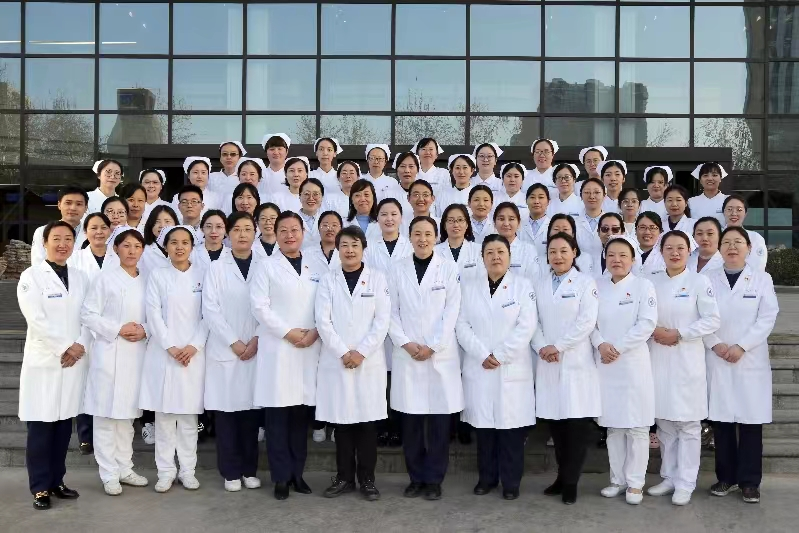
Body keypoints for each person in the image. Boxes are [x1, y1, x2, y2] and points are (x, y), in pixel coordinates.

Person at [250, 211, 329, 500]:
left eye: (294, 229)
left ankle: (297, 474)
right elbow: (260, 307)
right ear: (276, 234)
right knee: (278, 418)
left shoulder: (316, 266)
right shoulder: (266, 266)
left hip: (309, 347)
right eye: (283, 230)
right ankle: (281, 477)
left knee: (300, 417)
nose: (289, 235)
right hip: (279, 349)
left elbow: (326, 303)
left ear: (303, 233)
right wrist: (288, 332)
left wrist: (315, 331)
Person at [456, 234, 537, 500]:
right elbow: (461, 325)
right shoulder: (470, 288)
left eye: (500, 252)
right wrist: (481, 353)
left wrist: (500, 355)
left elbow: (526, 326)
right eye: (489, 252)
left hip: (510, 366)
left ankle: (511, 482)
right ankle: (487, 478)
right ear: (482, 258)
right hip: (480, 365)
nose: (495, 257)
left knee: (511, 431)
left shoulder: (522, 286)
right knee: (485, 430)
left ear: (509, 256)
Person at [18, 221, 91, 510]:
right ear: (44, 243)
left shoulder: (81, 277)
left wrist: (80, 344)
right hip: (46, 362)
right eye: (56, 239)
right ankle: (39, 487)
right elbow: (36, 319)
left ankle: (56, 481)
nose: (63, 244)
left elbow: (89, 315)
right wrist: (66, 347)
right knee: (40, 428)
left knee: (62, 429)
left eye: (68, 239)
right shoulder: (31, 276)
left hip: (72, 362)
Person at [388, 216, 462, 501]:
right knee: (412, 423)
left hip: (439, 356)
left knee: (439, 425)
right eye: (417, 234)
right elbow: (390, 311)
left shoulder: (448, 268)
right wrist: (406, 343)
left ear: (436, 237)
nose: (422, 239)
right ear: (409, 237)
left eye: (428, 234)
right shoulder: (397, 269)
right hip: (407, 355)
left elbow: (452, 311)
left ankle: (434, 479)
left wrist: (432, 345)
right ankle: (416, 478)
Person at [704, 226, 779, 504]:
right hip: (718, 357)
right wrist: (715, 343)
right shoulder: (707, 279)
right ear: (719, 248)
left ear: (749, 248)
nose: (732, 247)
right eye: (726, 242)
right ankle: (726, 477)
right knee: (722, 422)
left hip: (750, 359)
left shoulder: (762, 279)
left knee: (750, 423)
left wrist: (742, 346)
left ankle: (749, 482)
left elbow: (767, 317)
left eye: (738, 242)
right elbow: (699, 315)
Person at [316, 226, 391, 501]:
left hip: (368, 362)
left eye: (355, 245)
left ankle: (367, 479)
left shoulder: (377, 278)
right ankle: (344, 477)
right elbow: (322, 320)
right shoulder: (328, 280)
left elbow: (382, 320)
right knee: (343, 424)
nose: (349, 250)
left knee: (368, 425)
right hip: (337, 360)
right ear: (338, 250)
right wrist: (342, 352)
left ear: (363, 249)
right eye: (344, 245)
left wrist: (361, 352)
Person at [647, 230, 721, 506]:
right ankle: (669, 477)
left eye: (680, 248)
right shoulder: (651, 281)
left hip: (687, 359)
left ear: (689, 251)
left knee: (689, 424)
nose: (675, 253)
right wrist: (655, 330)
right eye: (669, 248)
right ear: (661, 251)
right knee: (665, 422)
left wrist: (680, 333)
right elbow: (641, 315)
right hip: (658, 357)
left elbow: (712, 320)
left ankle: (686, 482)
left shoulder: (699, 281)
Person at [139, 225, 208, 494]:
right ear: (165, 246)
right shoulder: (158, 275)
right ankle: (166, 472)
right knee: (165, 419)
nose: (179, 247)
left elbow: (208, 314)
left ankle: (188, 471)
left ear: (192, 246)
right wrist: (170, 346)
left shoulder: (203, 274)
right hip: (164, 354)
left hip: (193, 356)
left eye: (184, 242)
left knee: (189, 420)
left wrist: (193, 346)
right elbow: (153, 314)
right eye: (173, 243)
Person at [532, 232, 600, 505]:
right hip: (548, 362)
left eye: (563, 251)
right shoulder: (539, 284)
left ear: (574, 253)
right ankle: (561, 477)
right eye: (552, 252)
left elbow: (587, 322)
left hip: (575, 362)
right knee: (557, 428)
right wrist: (542, 347)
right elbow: (532, 321)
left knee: (575, 429)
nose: (558, 256)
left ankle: (571, 482)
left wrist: (558, 346)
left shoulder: (585, 283)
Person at [81, 228, 150, 496]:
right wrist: (117, 328)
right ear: (116, 249)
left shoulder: (148, 280)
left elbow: (156, 315)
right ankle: (108, 473)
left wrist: (145, 330)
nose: (132, 251)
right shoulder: (104, 278)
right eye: (126, 246)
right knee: (106, 417)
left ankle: (125, 468)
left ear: (142, 250)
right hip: (109, 353)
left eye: (137, 246)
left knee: (126, 418)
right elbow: (88, 314)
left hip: (136, 356)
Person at [592, 236, 658, 505]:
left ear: (633, 259)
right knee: (613, 427)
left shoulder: (643, 286)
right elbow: (588, 322)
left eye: (622, 255)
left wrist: (617, 348)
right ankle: (617, 480)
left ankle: (635, 483)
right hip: (605, 364)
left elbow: (647, 324)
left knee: (638, 427)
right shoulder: (596, 286)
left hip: (632, 364)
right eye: (611, 255)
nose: (616, 260)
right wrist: (600, 344)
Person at [202, 211, 263, 492]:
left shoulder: (265, 265)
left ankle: (249, 469)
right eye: (236, 229)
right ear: (228, 233)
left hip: (257, 349)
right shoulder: (216, 268)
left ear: (255, 233)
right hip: (226, 350)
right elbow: (210, 310)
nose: (242, 234)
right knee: (227, 415)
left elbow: (271, 306)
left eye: (247, 229)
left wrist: (256, 339)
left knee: (250, 416)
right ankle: (230, 471)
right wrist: (234, 342)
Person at [364, 198, 413, 447]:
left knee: (402, 378)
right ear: (377, 219)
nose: (389, 219)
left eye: (394, 214)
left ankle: (399, 427)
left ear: (401, 218)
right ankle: (381, 426)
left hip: (406, 319)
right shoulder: (369, 248)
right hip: (376, 318)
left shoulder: (411, 246)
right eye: (384, 214)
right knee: (380, 377)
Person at [67, 213, 112, 454]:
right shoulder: (75, 259)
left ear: (110, 231)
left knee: (107, 382)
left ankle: (106, 434)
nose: (99, 232)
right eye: (93, 228)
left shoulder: (118, 256)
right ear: (85, 232)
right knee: (85, 383)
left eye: (103, 227)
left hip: (112, 329)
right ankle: (86, 435)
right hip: (83, 327)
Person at [32, 185, 89, 265]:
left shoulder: (92, 234)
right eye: (68, 203)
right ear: (59, 205)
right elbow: (37, 264)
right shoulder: (41, 232)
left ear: (86, 208)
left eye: (79, 204)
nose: (73, 208)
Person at [435, 204, 484, 283]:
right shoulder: (435, 252)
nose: (456, 225)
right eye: (451, 220)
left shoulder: (479, 250)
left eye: (460, 220)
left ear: (467, 224)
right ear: (444, 225)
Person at [494, 202, 540, 280]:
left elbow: (533, 279)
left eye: (511, 219)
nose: (506, 224)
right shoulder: (487, 250)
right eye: (501, 219)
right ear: (494, 223)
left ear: (519, 223)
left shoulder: (529, 250)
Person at [723, 194, 768, 272]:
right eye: (729, 209)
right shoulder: (715, 236)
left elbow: (758, 267)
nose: (734, 213)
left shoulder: (755, 238)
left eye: (739, 210)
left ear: (745, 213)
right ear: (723, 212)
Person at [138, 205, 178, 282]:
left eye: (167, 221)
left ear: (175, 224)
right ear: (150, 225)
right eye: (157, 222)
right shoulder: (142, 250)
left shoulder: (184, 248)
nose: (162, 226)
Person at [575, 178, 606, 260]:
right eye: (587, 192)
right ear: (581, 196)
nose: (592, 196)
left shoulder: (613, 222)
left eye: (597, 192)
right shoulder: (573, 224)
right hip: (580, 266)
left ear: (604, 195)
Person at [519, 184, 551, 258]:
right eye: (532, 197)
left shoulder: (553, 226)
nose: (536, 201)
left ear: (548, 201)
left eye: (541, 197)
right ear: (526, 201)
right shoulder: (519, 226)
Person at [635, 212, 667, 278]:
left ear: (660, 231)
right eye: (642, 227)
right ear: (635, 230)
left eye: (652, 228)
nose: (647, 232)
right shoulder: (627, 254)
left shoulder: (666, 257)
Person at [593, 213, 624, 278]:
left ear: (622, 232)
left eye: (615, 229)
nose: (610, 233)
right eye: (605, 229)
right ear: (598, 232)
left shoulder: (632, 257)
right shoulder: (591, 258)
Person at [298, 178, 326, 250]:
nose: (311, 198)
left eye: (316, 194)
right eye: (306, 194)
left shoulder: (327, 220)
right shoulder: (291, 220)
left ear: (322, 197)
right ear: (300, 196)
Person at [393, 151, 421, 217]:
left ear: (417, 170)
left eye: (411, 166)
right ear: (397, 170)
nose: (407, 171)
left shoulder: (424, 194)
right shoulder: (388, 194)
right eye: (402, 166)